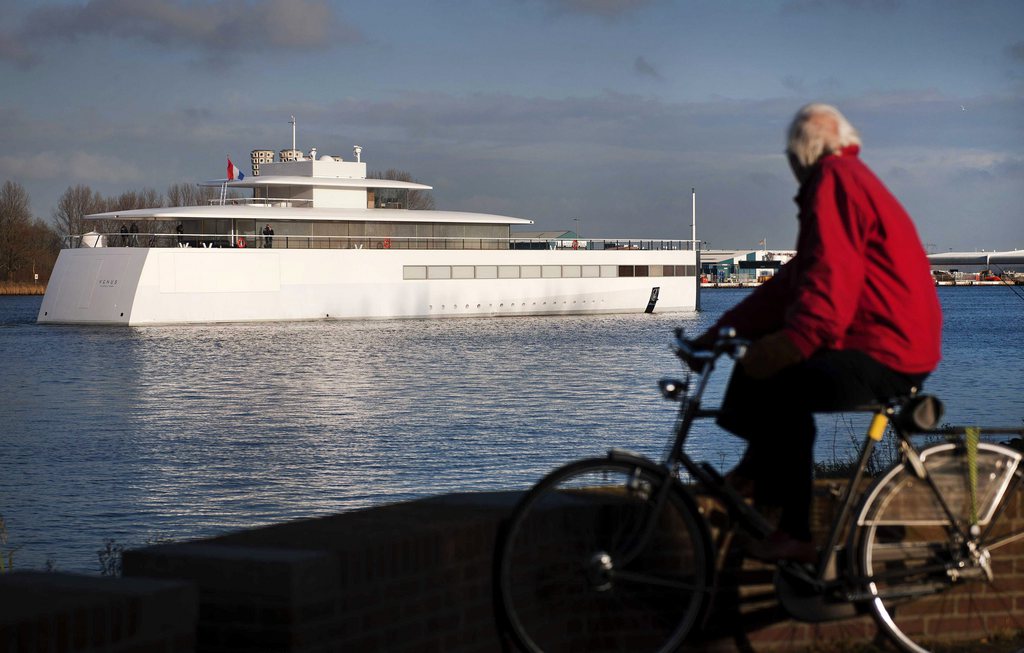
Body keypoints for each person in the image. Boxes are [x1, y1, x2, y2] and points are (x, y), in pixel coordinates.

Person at [693, 104, 942, 563]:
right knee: (756, 368)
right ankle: (754, 473)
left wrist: (795, 343)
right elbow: (792, 284)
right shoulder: (847, 178)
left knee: (784, 388)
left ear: (801, 153)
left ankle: (795, 532)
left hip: (888, 349)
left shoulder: (834, 181)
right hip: (890, 342)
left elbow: (831, 281)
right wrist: (721, 333)